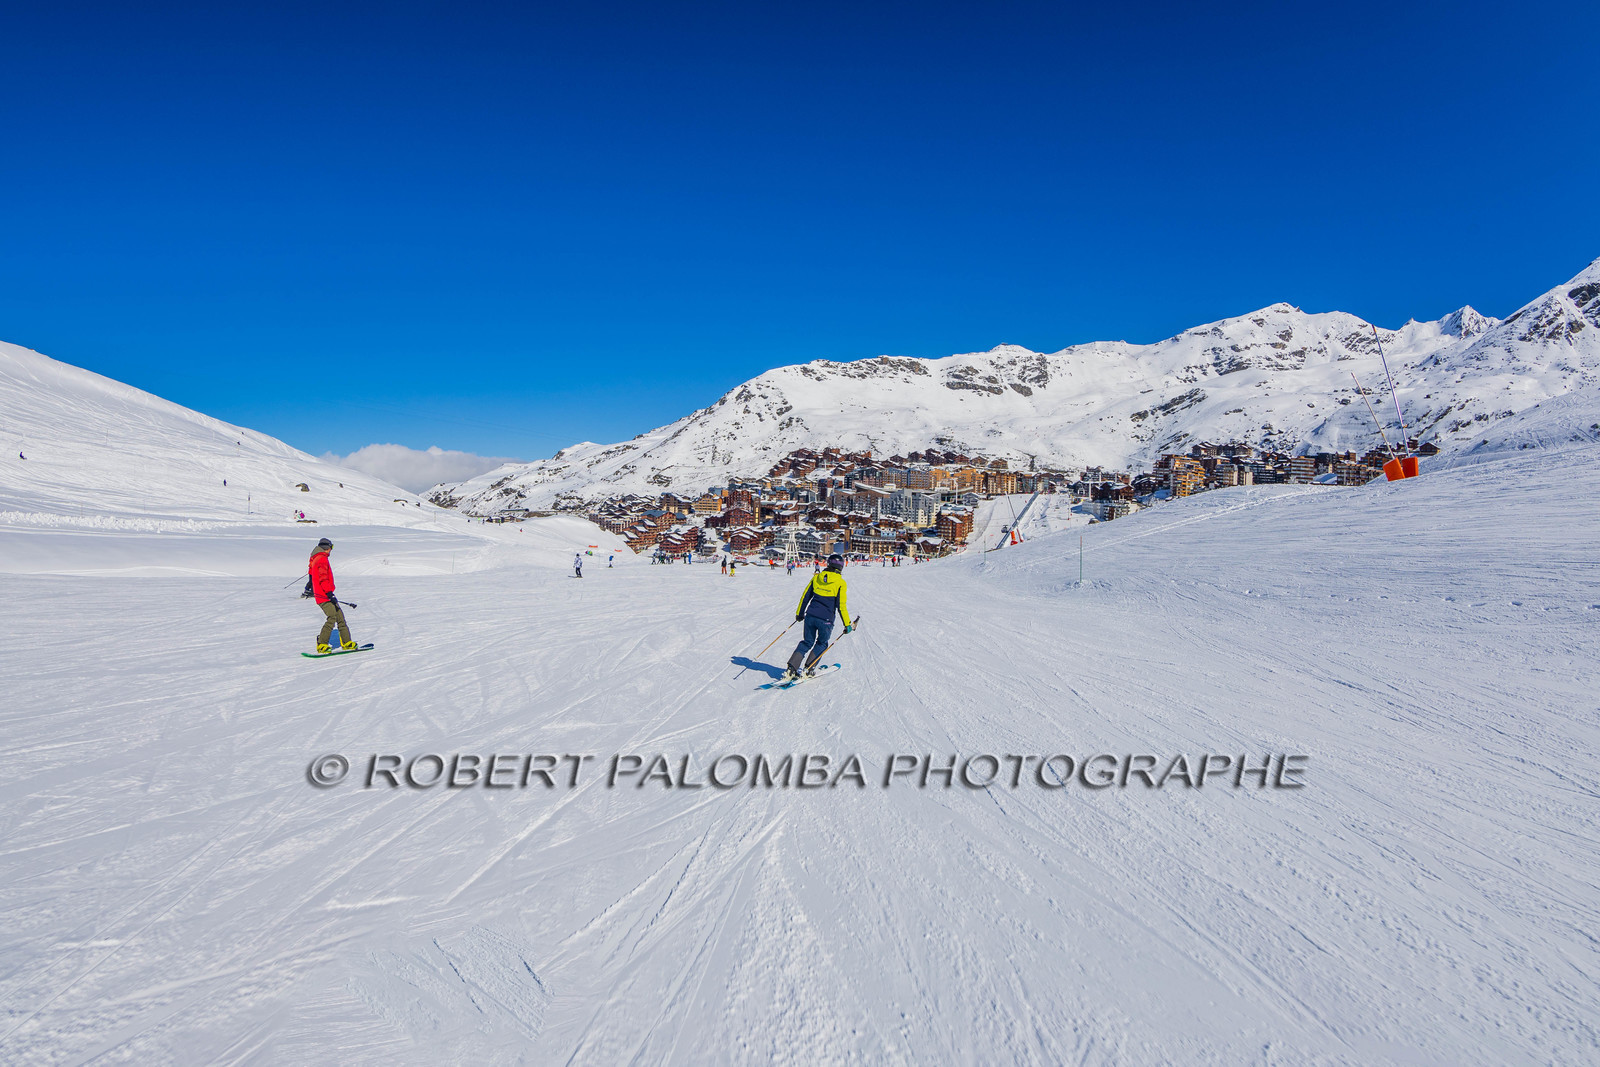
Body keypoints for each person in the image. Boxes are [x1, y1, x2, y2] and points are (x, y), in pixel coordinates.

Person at [784, 553, 853, 681]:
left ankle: (791, 668)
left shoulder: (817, 578)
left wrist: (800, 613)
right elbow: (841, 605)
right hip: (826, 620)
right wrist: (847, 624)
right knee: (821, 643)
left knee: (807, 642)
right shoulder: (840, 583)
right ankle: (809, 668)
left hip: (810, 616)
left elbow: (805, 596)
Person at [308, 538, 356, 653]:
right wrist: (329, 593)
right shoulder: (322, 559)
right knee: (332, 617)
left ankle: (347, 642)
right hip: (323, 595)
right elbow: (323, 578)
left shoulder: (315, 558)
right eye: (331, 547)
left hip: (324, 593)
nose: (331, 550)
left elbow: (311, 573)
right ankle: (322, 644)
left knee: (340, 616)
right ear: (327, 548)